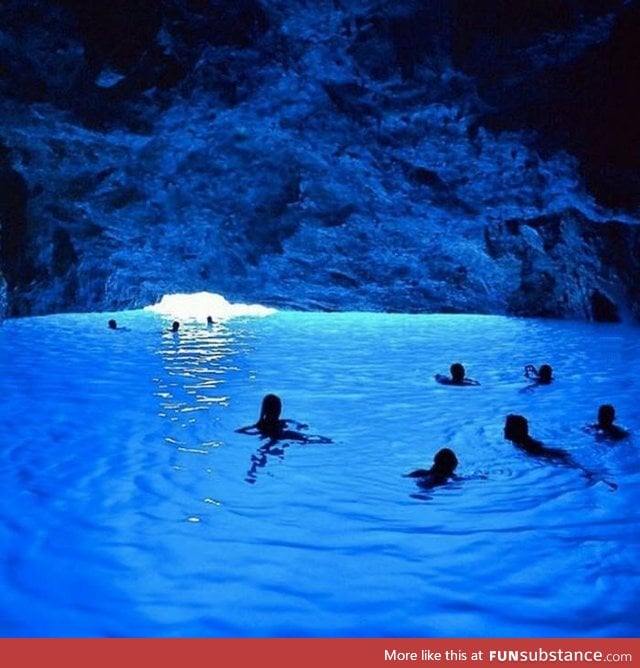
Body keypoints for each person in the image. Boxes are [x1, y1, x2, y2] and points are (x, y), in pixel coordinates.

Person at [504, 414, 618, 490]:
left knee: (577, 468)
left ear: (516, 430)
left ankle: (600, 479)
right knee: (578, 468)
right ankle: (600, 478)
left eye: (507, 427)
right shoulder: (521, 441)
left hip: (551, 454)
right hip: (552, 453)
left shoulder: (522, 442)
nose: (504, 429)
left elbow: (538, 451)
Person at [236, 394, 331, 443]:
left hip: (277, 437)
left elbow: (240, 431)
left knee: (306, 438)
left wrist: (299, 425)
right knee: (306, 438)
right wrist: (300, 425)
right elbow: (239, 431)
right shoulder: (276, 423)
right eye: (279, 407)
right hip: (281, 435)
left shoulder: (262, 425)